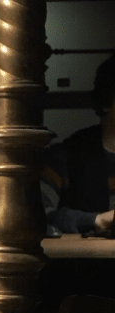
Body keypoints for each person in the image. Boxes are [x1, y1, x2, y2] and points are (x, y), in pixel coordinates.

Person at [40, 53, 115, 236]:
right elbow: (36, 214)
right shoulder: (66, 157)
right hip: (83, 254)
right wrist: (95, 220)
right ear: (107, 101)